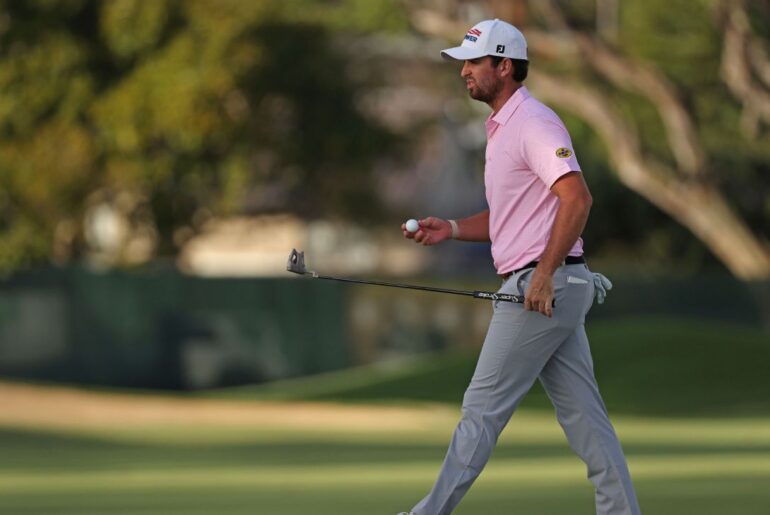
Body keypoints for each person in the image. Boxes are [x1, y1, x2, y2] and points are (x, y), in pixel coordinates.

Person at [397, 19, 641, 515]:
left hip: (540, 284)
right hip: (553, 281)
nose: (464, 71)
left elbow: (577, 199)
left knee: (480, 412)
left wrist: (545, 274)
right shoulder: (505, 128)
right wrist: (451, 227)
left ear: (504, 65)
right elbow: (516, 216)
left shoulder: (532, 123)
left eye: (473, 61)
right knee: (586, 422)